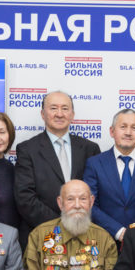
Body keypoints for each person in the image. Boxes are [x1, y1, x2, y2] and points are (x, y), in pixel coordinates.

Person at [14, 91, 100, 244]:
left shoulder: (90, 149)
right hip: (42, 235)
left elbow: (96, 194)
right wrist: (61, 226)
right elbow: (25, 198)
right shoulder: (27, 149)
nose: (59, 114)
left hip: (83, 234)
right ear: (43, 114)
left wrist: (76, 222)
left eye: (65, 108)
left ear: (72, 115)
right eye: (53, 108)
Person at [83, 109, 135, 246]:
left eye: (134, 128)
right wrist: (119, 231)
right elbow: (89, 204)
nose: (128, 132)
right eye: (123, 127)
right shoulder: (95, 164)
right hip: (104, 241)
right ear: (112, 131)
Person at [24, 180, 117, 270]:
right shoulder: (39, 235)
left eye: (83, 199)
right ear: (60, 203)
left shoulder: (104, 239)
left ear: (91, 202)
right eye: (70, 199)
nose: (77, 205)